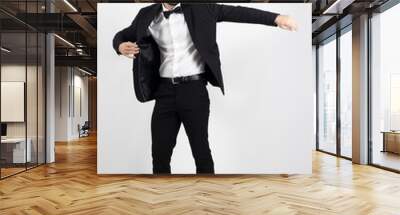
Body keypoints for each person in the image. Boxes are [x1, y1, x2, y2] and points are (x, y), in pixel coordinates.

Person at [113, 3, 298, 174]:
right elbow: (121, 35)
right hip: (164, 92)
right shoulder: (146, 14)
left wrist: (277, 18)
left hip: (194, 90)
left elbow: (238, 12)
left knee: (200, 151)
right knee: (160, 154)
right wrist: (120, 46)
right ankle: (164, 201)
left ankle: (207, 200)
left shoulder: (201, 7)